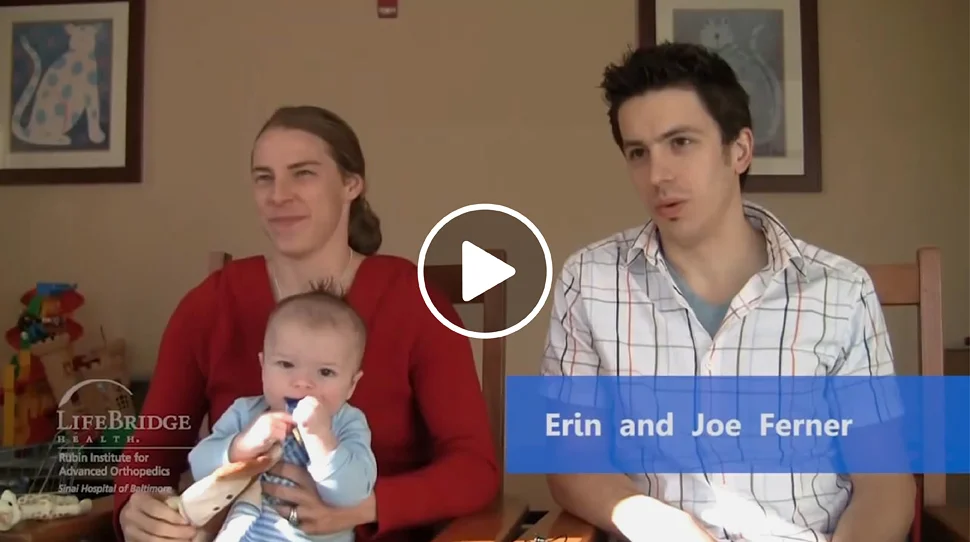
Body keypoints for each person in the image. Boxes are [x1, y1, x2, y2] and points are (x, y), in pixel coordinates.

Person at [540, 43, 916, 542]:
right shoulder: (589, 281)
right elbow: (570, 460)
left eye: (681, 143)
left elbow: (886, 485)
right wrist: (653, 521)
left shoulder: (841, 291)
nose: (658, 176)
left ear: (738, 150)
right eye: (638, 153)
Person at [114, 105, 500, 542]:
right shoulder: (209, 306)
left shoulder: (414, 300)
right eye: (264, 177)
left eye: (303, 174)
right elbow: (150, 455)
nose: (278, 195)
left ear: (352, 184)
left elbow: (473, 468)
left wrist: (360, 508)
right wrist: (135, 507)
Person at [187, 288, 377, 541]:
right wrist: (241, 446)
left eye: (325, 372)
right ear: (263, 367)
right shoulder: (246, 413)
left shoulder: (347, 424)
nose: (302, 382)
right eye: (286, 365)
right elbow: (199, 466)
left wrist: (323, 441)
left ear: (352, 385)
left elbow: (351, 495)